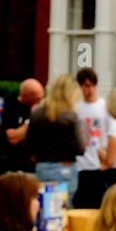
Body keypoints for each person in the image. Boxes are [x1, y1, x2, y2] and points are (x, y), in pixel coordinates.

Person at [26, 74, 86, 205]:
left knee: (44, 209)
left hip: (42, 167)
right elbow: (81, 149)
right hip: (65, 168)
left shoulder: (37, 113)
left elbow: (29, 144)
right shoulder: (71, 116)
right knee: (62, 210)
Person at [71, 68, 109, 209]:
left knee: (96, 205)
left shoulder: (104, 106)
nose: (91, 89)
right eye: (87, 85)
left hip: (98, 163)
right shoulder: (76, 107)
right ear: (81, 86)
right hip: (80, 164)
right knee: (80, 204)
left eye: (93, 85)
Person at [0, 78, 44, 175]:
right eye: (37, 99)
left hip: (36, 166)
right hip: (16, 164)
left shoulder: (43, 109)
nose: (41, 101)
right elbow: (12, 138)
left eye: (42, 97)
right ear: (25, 96)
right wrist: (33, 118)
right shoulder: (12, 107)